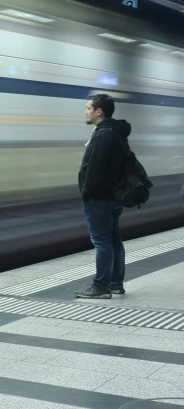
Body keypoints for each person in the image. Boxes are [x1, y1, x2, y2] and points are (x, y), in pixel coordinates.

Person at [76, 93, 132, 299]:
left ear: (98, 111)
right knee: (114, 239)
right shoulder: (116, 132)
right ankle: (116, 283)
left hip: (99, 197)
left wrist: (86, 193)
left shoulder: (102, 135)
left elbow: (95, 169)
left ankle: (101, 286)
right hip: (114, 196)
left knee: (102, 242)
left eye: (88, 108)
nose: (86, 111)